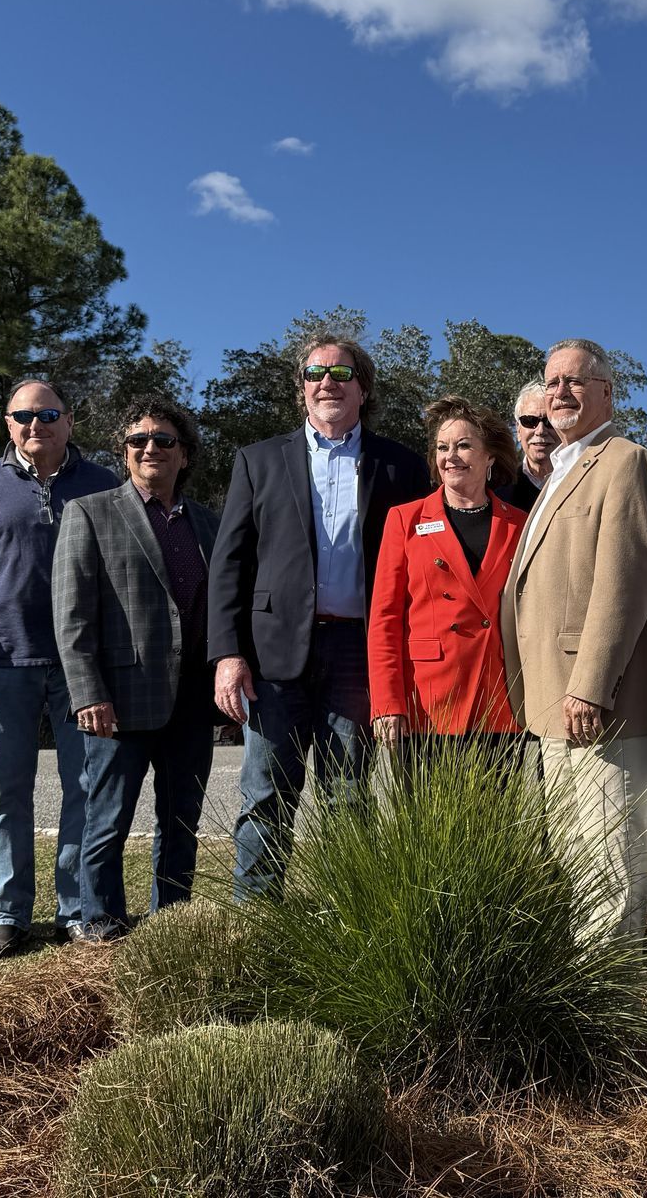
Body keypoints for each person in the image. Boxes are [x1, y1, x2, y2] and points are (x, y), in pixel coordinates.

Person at [207, 334, 427, 897]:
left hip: (358, 652)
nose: (326, 382)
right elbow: (230, 563)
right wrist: (228, 654)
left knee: (348, 795)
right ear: (301, 388)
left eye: (340, 373)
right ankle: (257, 920)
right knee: (266, 791)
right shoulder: (258, 460)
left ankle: (345, 914)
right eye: (314, 373)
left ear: (363, 387)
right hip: (274, 653)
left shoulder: (399, 464)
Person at [0, 379, 117, 959]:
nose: (37, 425)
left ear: (69, 421)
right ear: (8, 425)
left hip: (82, 664)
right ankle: (9, 914)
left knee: (85, 789)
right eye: (24, 416)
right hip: (1, 660)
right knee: (6, 792)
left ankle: (76, 910)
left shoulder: (105, 483)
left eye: (49, 414)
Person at [501, 338, 647, 937]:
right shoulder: (561, 469)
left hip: (599, 706)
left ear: (606, 394)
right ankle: (588, 1011)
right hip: (553, 708)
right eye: (551, 382)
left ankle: (612, 1019)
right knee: (576, 867)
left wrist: (591, 686)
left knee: (609, 869)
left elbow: (625, 581)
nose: (559, 392)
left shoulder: (624, 461)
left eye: (574, 381)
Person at [53, 398, 218, 941]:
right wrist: (86, 693)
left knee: (181, 822)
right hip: (117, 699)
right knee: (106, 822)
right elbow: (71, 615)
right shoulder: (89, 512)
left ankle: (171, 922)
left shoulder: (209, 525)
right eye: (138, 440)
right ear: (124, 452)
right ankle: (99, 921)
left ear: (185, 454)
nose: (151, 448)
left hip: (192, 700)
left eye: (165, 440)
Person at [369, 397, 526, 768]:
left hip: (497, 699)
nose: (450, 456)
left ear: (490, 457)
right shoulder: (405, 520)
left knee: (497, 822)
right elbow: (384, 621)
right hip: (427, 703)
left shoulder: (521, 524)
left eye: (464, 445)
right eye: (442, 447)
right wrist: (387, 703)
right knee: (425, 824)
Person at [496, 379, 556, 512]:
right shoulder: (497, 490)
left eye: (550, 421)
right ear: (518, 430)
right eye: (529, 421)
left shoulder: (582, 481)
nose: (540, 430)